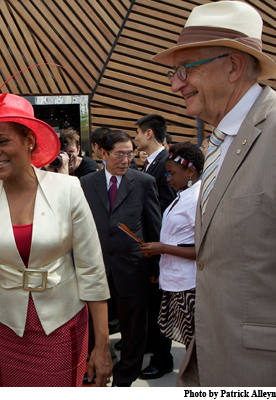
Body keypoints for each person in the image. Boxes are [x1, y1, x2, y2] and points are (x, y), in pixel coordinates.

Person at [153, 0, 276, 386]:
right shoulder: (220, 142)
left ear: (232, 66)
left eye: (185, 69)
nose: (175, 83)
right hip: (214, 365)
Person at [0, 93, 112, 387]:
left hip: (63, 323)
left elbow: (92, 270)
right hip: (7, 325)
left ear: (29, 139)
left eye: (3, 141)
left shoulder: (67, 189)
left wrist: (102, 345)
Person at [81, 129, 161, 387]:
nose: (126, 160)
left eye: (130, 154)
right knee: (94, 324)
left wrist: (155, 267)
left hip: (133, 268)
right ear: (103, 153)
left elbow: (153, 227)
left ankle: (125, 378)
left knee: (134, 328)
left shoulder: (144, 182)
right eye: (120, 154)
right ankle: (96, 363)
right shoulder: (85, 184)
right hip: (96, 267)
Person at [140, 142, 204, 347]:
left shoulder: (197, 199)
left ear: (191, 171)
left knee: (195, 344)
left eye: (172, 173)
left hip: (189, 285)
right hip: (175, 282)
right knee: (189, 342)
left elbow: (203, 249)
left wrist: (162, 248)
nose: (168, 179)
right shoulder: (182, 197)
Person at [134, 114, 176, 380]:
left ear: (149, 134)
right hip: (151, 249)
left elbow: (168, 211)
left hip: (161, 250)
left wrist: (160, 254)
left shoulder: (164, 164)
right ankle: (151, 345)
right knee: (152, 303)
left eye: (137, 132)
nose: (135, 138)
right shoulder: (151, 163)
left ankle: (163, 360)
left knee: (161, 306)